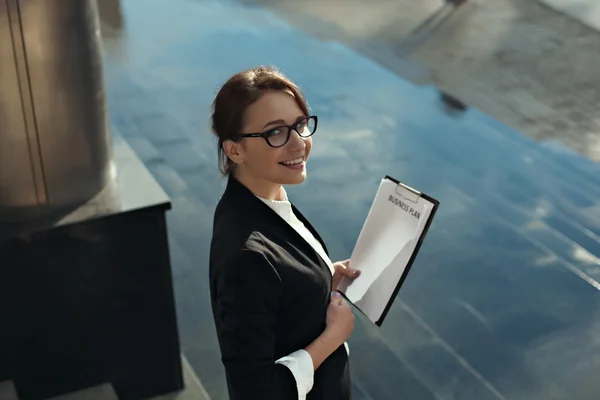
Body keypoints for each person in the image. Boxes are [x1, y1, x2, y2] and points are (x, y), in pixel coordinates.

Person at [208, 66, 361, 400]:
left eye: (300, 125)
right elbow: (256, 391)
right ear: (235, 150)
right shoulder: (246, 257)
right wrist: (332, 338)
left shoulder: (261, 198)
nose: (299, 144)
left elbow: (274, 293)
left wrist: (320, 278)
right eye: (275, 133)